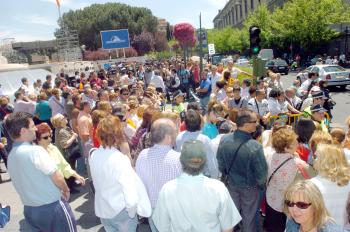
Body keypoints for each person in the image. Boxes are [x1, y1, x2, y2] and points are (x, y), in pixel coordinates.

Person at [4, 112, 76, 231]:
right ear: (23, 131)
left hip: (30, 210)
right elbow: (57, 176)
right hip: (52, 208)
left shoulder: (11, 155)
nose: (35, 128)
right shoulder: (36, 151)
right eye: (32, 126)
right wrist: (66, 189)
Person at [152, 140, 242, 232]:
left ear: (181, 161)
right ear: (204, 161)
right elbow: (228, 227)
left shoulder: (167, 189)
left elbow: (162, 226)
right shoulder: (218, 188)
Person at [89, 115, 151, 232]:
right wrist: (132, 212)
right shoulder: (120, 159)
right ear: (117, 135)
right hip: (122, 212)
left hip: (103, 209)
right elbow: (129, 192)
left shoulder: (94, 155)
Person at [217, 110, 268, 232]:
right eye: (254, 122)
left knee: (231, 218)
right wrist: (260, 186)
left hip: (231, 185)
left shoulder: (224, 140)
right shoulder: (255, 146)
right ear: (246, 124)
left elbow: (221, 164)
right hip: (250, 188)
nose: (257, 124)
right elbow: (262, 174)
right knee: (249, 219)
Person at [136, 118, 182, 232]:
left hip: (152, 208)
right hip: (173, 210)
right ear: (168, 137)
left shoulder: (142, 155)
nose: (177, 134)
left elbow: (139, 183)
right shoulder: (178, 159)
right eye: (175, 132)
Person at [265, 126, 312, 232]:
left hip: (271, 200)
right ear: (286, 148)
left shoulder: (269, 155)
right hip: (289, 205)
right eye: (295, 142)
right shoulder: (297, 163)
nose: (298, 143)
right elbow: (312, 175)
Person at [35, 122, 85, 193]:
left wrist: (76, 175)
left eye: (50, 136)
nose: (50, 139)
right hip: (48, 192)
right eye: (45, 137)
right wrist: (65, 189)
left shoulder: (53, 148)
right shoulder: (35, 155)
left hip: (60, 189)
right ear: (37, 139)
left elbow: (64, 165)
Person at [311, 144, 350, 227]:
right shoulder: (348, 183)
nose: (313, 159)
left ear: (325, 161)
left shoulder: (313, 185)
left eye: (317, 157)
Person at [176, 109, 219, 178]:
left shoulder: (179, 137)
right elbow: (211, 161)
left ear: (185, 123)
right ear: (200, 123)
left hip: (184, 175)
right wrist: (215, 177)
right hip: (202, 176)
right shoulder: (205, 140)